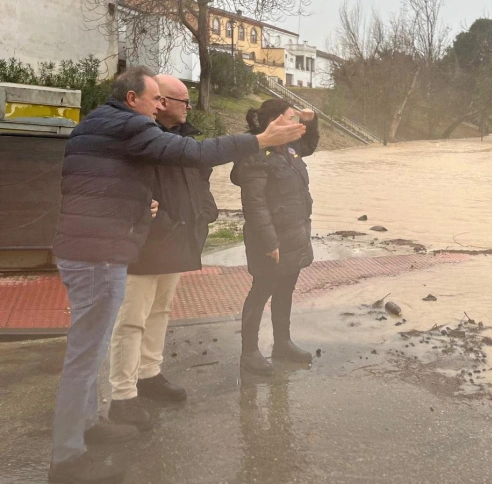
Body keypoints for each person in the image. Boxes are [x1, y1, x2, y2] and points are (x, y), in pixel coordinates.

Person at [49, 66, 306, 484]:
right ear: (132, 99)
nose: (159, 108)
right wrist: (258, 141)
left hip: (92, 246)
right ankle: (67, 461)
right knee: (85, 355)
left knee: (90, 349)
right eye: (155, 100)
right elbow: (194, 154)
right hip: (99, 254)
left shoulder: (98, 124)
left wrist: (138, 205)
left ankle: (89, 424)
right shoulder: (130, 125)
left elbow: (99, 184)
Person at [107, 74, 218, 431]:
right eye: (181, 100)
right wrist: (165, 224)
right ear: (162, 102)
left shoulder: (185, 139)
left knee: (161, 310)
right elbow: (133, 188)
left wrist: (204, 213)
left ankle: (149, 374)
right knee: (131, 318)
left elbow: (199, 181)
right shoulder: (139, 136)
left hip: (177, 239)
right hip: (144, 242)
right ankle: (122, 396)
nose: (188, 107)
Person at [231, 99, 319, 376]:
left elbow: (311, 145)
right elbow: (255, 204)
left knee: (285, 290)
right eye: (291, 118)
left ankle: (282, 344)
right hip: (271, 240)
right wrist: (269, 242)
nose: (295, 124)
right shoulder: (255, 154)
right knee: (261, 292)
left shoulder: (290, 148)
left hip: (294, 233)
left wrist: (310, 122)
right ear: (275, 121)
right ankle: (249, 353)